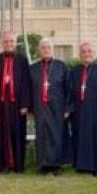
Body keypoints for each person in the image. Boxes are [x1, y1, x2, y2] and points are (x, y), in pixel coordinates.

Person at [66, 41, 97, 177]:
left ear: (93, 53)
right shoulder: (74, 72)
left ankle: (96, 166)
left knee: (95, 138)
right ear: (79, 54)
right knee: (79, 137)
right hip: (78, 112)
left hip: (96, 113)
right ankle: (80, 164)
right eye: (83, 52)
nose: (86, 54)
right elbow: (69, 92)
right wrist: (68, 109)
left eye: (89, 51)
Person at [0, 31, 32, 173]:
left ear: (15, 43)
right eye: (6, 41)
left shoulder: (23, 60)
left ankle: (18, 165)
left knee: (18, 133)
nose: (9, 44)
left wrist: (25, 104)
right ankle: (3, 165)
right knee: (2, 133)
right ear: (2, 43)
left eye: (11, 41)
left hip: (18, 104)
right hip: (1, 103)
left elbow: (27, 82)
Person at [29, 39, 70, 175]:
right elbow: (28, 89)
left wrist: (67, 108)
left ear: (53, 49)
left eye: (48, 47)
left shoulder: (61, 66)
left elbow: (68, 89)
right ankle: (43, 165)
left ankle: (56, 165)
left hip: (57, 107)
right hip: (40, 107)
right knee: (41, 135)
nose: (46, 50)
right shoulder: (33, 68)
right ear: (39, 50)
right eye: (43, 48)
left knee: (56, 135)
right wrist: (29, 107)